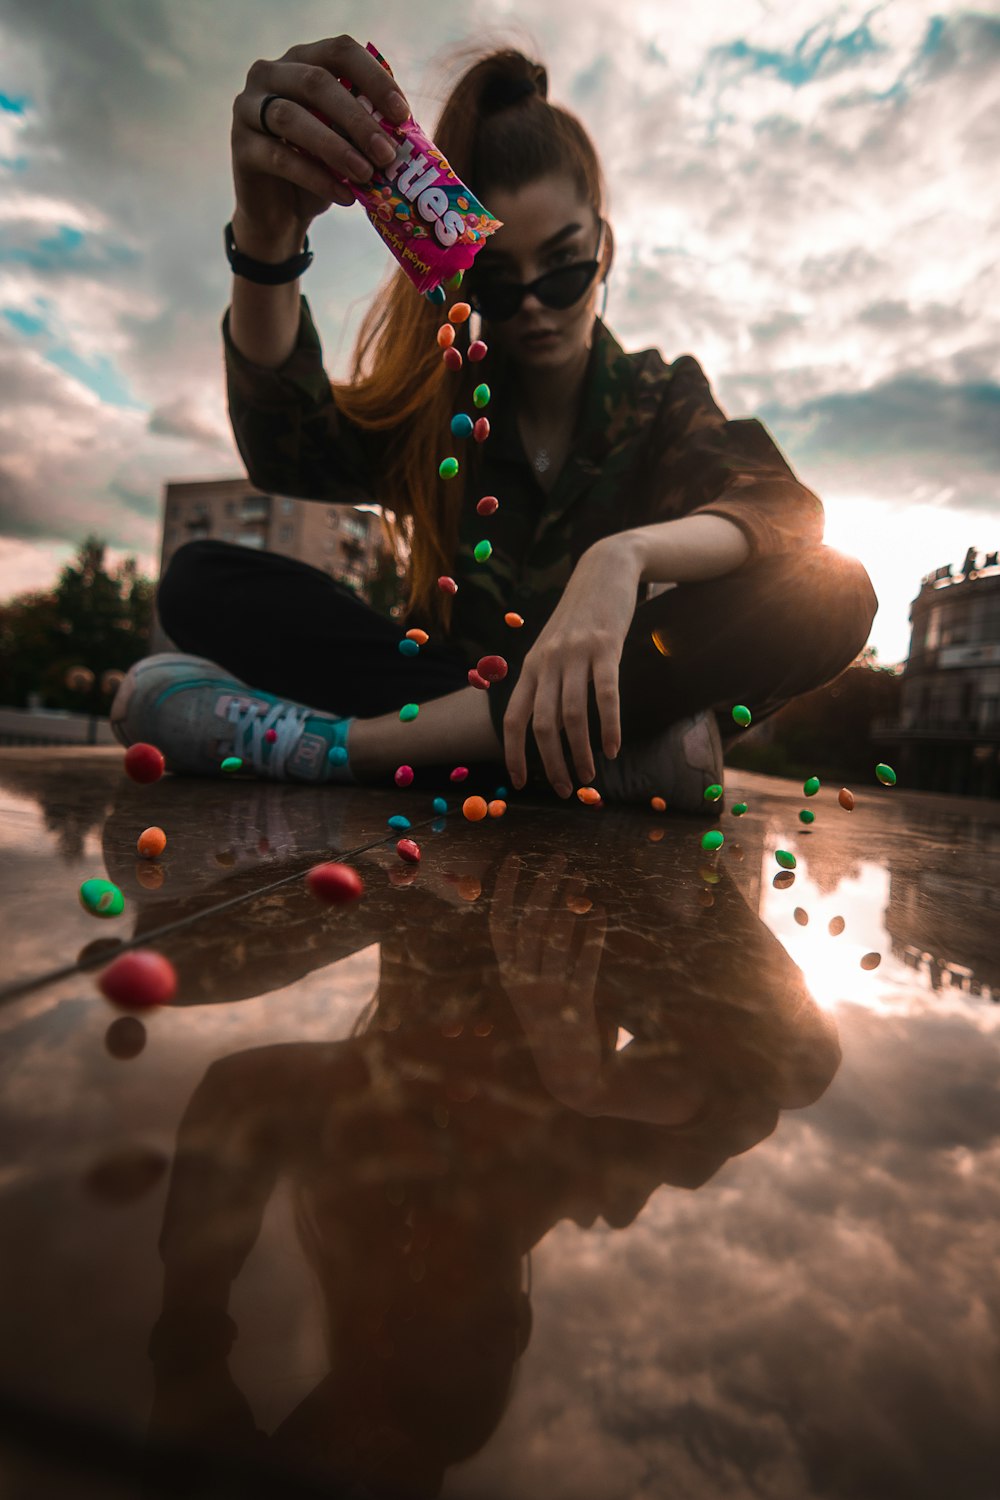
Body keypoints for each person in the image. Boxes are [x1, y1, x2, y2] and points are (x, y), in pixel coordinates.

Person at [111, 34, 878, 808]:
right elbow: (287, 451)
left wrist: (621, 559)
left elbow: (783, 509)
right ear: (462, 268)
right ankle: (595, 764)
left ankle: (357, 750)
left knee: (835, 590)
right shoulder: (447, 397)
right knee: (199, 580)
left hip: (617, 685)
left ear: (604, 250)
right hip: (461, 691)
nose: (538, 307)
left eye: (566, 267)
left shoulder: (659, 395)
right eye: (502, 283)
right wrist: (267, 237)